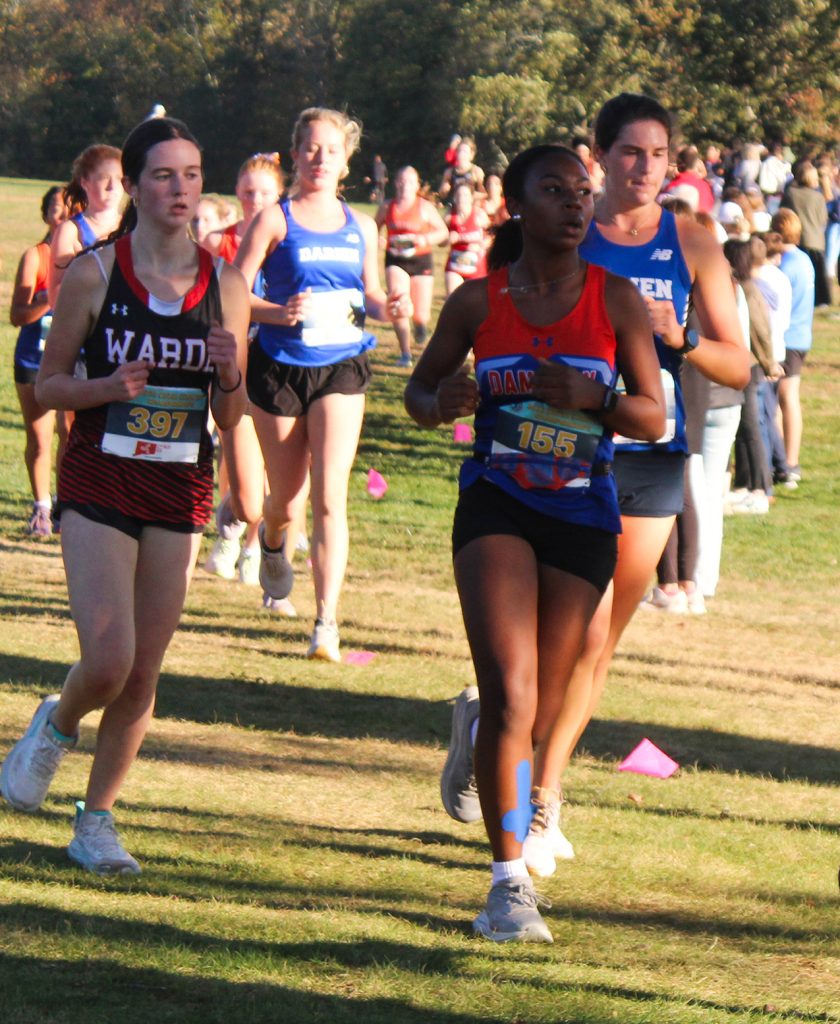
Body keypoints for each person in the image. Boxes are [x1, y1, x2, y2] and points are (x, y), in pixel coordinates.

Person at [438, 93, 750, 882]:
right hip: (541, 459)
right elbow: (491, 322)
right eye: (630, 152)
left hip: (646, 453)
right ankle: (507, 748)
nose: (646, 167)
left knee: (595, 643)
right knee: (562, 647)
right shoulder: (560, 227)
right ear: (600, 156)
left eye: (659, 154)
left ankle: (541, 790)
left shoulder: (691, 240)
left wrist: (678, 337)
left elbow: (740, 366)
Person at [407, 143, 665, 942]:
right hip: (498, 502)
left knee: (541, 711)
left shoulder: (615, 298)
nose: (575, 203)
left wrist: (597, 397)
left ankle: (479, 734)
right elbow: (420, 391)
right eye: (555, 190)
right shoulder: (477, 302)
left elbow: (653, 417)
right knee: (515, 696)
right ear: (517, 206)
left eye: (582, 191)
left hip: (583, 512)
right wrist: (441, 401)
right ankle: (508, 885)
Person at [0, 116, 250, 874]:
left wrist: (230, 371)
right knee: (110, 658)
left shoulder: (226, 285)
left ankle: (97, 822)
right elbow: (48, 387)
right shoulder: (94, 274)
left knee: (144, 670)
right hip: (101, 475)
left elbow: (231, 416)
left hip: (179, 484)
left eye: (192, 174)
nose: (182, 189)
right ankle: (58, 723)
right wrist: (105, 388)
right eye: (165, 175)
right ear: (136, 187)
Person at [235, 107, 406, 662]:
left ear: (346, 162)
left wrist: (390, 306)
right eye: (310, 147)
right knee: (286, 501)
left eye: (331, 150)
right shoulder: (275, 220)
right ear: (295, 154)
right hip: (280, 366)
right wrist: (275, 312)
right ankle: (273, 539)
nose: (320, 158)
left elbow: (370, 293)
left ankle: (326, 622)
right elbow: (234, 292)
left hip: (342, 366)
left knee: (330, 494)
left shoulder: (362, 226)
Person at [201, 154, 284, 591]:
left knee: (277, 466)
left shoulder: (288, 241)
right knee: (234, 464)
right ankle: (232, 529)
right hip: (233, 362)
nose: (256, 201)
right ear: (237, 192)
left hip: (279, 365)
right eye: (249, 192)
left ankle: (255, 548)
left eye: (265, 194)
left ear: (279, 196)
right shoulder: (220, 242)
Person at [10, 186, 68, 537]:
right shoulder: (36, 256)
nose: (63, 216)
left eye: (71, 209)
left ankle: (65, 504)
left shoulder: (85, 257)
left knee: (71, 435)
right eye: (57, 209)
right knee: (40, 437)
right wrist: (51, 296)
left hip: (72, 361)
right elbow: (17, 316)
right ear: (45, 214)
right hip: (34, 358)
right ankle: (41, 506)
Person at [375, 165, 448, 367]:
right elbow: (374, 227)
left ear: (417, 185)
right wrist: (378, 239)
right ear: (395, 183)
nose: (405, 184)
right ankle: (405, 354)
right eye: (401, 180)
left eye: (410, 181)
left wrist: (424, 239)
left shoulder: (425, 207)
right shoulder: (387, 207)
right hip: (395, 260)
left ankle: (420, 325)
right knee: (399, 302)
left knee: (421, 315)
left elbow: (443, 232)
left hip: (421, 260)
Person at [49, 144, 124, 305]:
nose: (112, 186)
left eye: (119, 178)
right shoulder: (70, 231)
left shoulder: (132, 227)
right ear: (85, 182)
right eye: (104, 177)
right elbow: (55, 297)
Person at [771, 208, 815, 481]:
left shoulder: (783, 265)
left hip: (787, 337)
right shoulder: (804, 259)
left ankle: (784, 461)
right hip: (802, 335)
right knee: (789, 398)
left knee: (781, 399)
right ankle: (789, 461)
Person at [444, 184, 490, 296]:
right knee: (453, 297)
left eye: (465, 195)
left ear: (471, 198)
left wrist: (481, 246)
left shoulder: (479, 214)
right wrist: (448, 239)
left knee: (475, 301)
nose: (462, 198)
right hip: (455, 264)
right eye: (459, 195)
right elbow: (441, 242)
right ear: (455, 198)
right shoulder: (449, 216)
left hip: (476, 265)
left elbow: (490, 236)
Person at [439, 138, 485, 204]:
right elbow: (442, 195)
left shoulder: (476, 171)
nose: (461, 154)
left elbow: (485, 194)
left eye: (465, 152)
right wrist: (444, 190)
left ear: (471, 155)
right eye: (459, 151)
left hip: (472, 205)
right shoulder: (449, 172)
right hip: (455, 206)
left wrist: (469, 197)